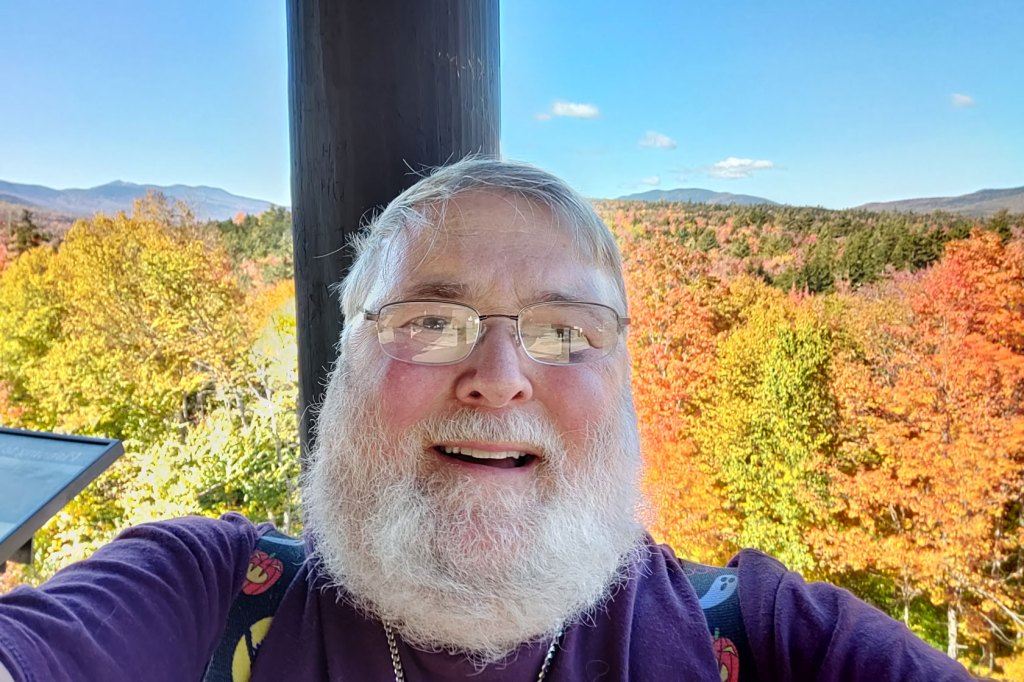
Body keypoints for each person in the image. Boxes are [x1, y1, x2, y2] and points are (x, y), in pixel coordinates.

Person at [0, 158, 976, 681]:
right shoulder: (206, 599)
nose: (499, 375)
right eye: (429, 320)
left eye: (563, 330)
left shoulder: (764, 643)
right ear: (343, 368)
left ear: (625, 383)